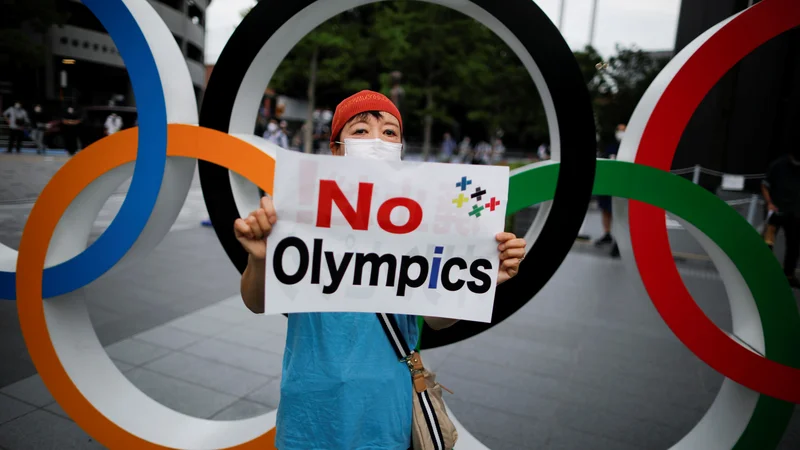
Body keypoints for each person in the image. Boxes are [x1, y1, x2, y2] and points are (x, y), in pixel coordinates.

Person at [234, 90, 526, 449]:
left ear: (401, 149)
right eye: (360, 130)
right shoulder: (299, 216)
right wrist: (260, 258)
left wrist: (473, 282)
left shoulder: (422, 227)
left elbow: (435, 321)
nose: (376, 140)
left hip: (386, 413)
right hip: (309, 411)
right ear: (336, 148)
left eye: (390, 133)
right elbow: (256, 301)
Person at [761, 148, 800, 288]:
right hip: (775, 210)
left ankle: (788, 274)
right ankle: (762, 272)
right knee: (768, 242)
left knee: (794, 244)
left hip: (795, 213)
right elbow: (765, 185)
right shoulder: (778, 165)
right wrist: (769, 203)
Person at [595, 124, 626, 258]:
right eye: (619, 130)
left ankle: (618, 242)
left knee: (619, 214)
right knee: (606, 209)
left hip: (621, 187)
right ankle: (608, 234)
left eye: (623, 130)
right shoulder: (611, 146)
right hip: (608, 185)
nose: (620, 132)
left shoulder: (628, 147)